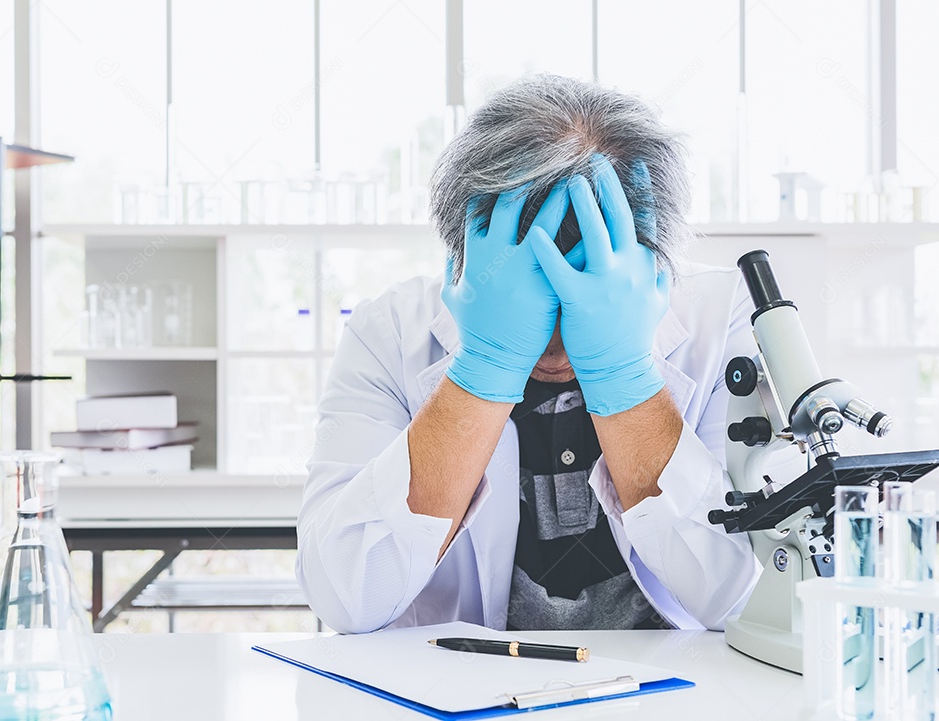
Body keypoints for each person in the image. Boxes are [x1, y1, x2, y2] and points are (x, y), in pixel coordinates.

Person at [296, 74, 775, 634]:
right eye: (531, 297)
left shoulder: (730, 321)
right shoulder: (389, 332)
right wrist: (485, 366)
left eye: (580, 292)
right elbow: (346, 597)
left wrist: (625, 376)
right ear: (461, 252)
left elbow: (750, 600)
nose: (551, 340)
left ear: (652, 263)